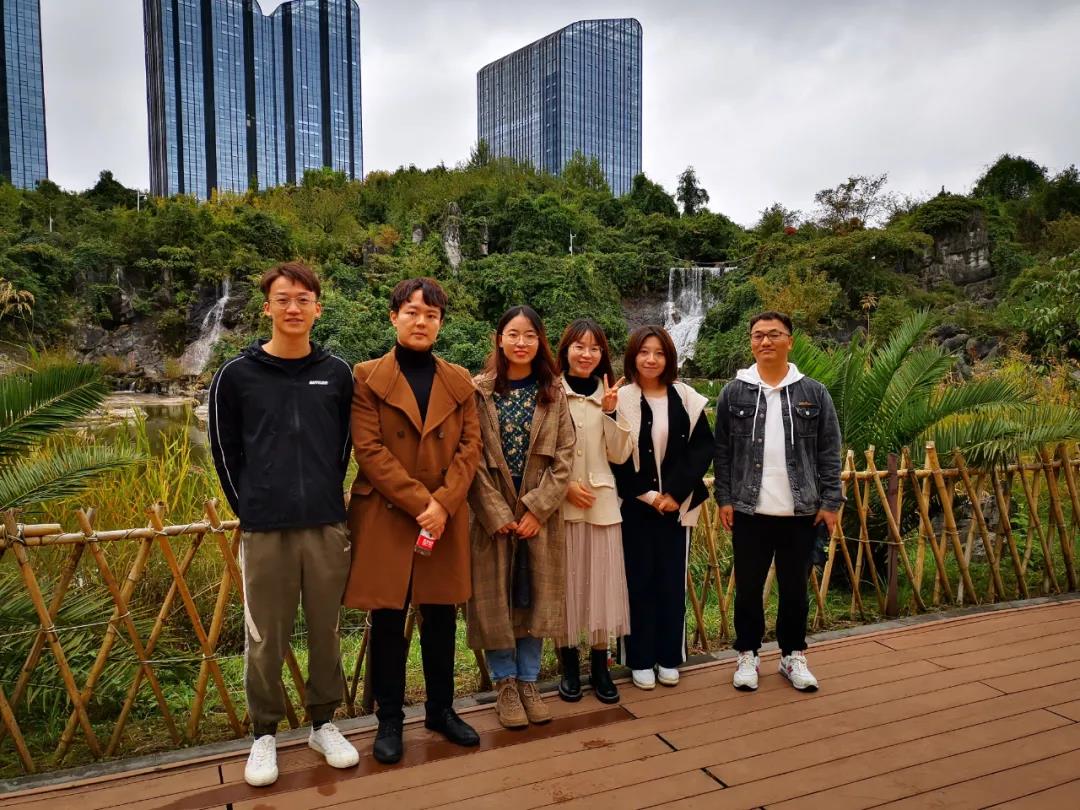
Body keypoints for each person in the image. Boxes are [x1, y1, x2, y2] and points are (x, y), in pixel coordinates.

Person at [208, 261, 359, 787]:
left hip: (325, 524)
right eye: (283, 299)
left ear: (318, 308)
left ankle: (323, 723)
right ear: (267, 307)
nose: (293, 308)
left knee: (326, 629)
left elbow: (343, 448)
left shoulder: (337, 374)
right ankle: (264, 733)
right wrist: (250, 508)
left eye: (303, 299)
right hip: (265, 528)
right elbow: (224, 451)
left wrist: (324, 496)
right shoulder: (235, 375)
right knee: (264, 636)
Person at [344, 277, 483, 764]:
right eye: (412, 313)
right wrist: (424, 504)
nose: (421, 322)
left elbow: (470, 448)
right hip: (390, 514)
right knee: (388, 619)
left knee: (441, 617)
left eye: (431, 315)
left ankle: (441, 710)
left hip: (442, 516)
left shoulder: (459, 380)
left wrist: (443, 505)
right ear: (394, 317)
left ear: (441, 323)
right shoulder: (367, 377)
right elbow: (369, 450)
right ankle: (389, 719)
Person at [713, 311, 843, 693]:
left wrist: (831, 502)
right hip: (748, 510)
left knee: (795, 589)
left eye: (773, 334)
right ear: (750, 342)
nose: (765, 341)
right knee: (748, 588)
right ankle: (747, 654)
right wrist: (724, 498)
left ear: (790, 340)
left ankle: (792, 655)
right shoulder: (734, 392)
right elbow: (722, 451)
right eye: (758, 335)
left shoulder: (814, 392)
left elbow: (829, 451)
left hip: (800, 512)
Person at [468, 306, 575, 729]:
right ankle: (506, 685)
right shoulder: (479, 392)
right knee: (494, 599)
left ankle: (529, 682)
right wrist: (495, 512)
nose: (521, 342)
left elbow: (565, 457)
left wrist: (536, 509)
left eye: (530, 335)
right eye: (513, 334)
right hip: (492, 517)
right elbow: (470, 456)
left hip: (538, 517)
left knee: (535, 598)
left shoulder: (554, 392)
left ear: (540, 341)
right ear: (499, 338)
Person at [612, 326, 713, 691]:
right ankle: (639, 658)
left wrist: (672, 493)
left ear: (669, 358)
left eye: (659, 353)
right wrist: (648, 495)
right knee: (636, 582)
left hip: (676, 507)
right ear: (633, 357)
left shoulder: (686, 398)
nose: (651, 359)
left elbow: (702, 449)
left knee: (671, 583)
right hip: (634, 507)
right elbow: (614, 455)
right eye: (644, 352)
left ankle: (669, 656)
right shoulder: (620, 399)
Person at [554, 319, 633, 705]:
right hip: (560, 505)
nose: (586, 354)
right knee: (565, 589)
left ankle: (600, 668)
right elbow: (541, 450)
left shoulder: (611, 394)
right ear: (566, 350)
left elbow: (620, 454)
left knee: (601, 588)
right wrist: (565, 485)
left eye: (595, 348)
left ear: (603, 354)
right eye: (579, 346)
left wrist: (611, 414)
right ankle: (569, 667)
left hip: (602, 505)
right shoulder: (550, 391)